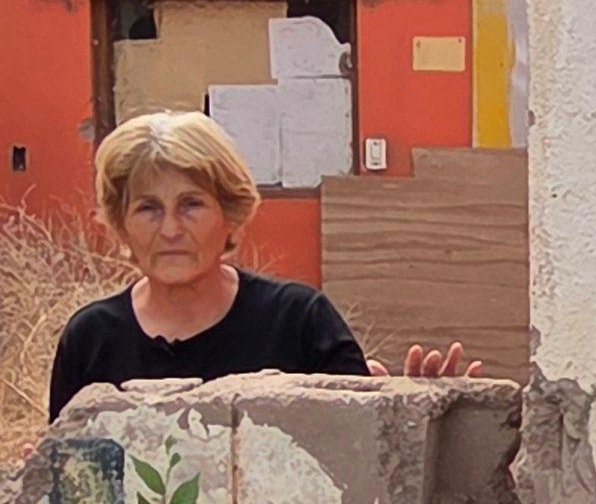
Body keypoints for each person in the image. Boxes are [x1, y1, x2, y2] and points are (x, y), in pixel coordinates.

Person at [48, 109, 480, 415]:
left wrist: (416, 410)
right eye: (148, 208)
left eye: (191, 204)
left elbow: (364, 459)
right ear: (121, 224)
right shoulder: (91, 338)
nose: (171, 229)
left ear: (230, 214)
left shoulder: (299, 321)